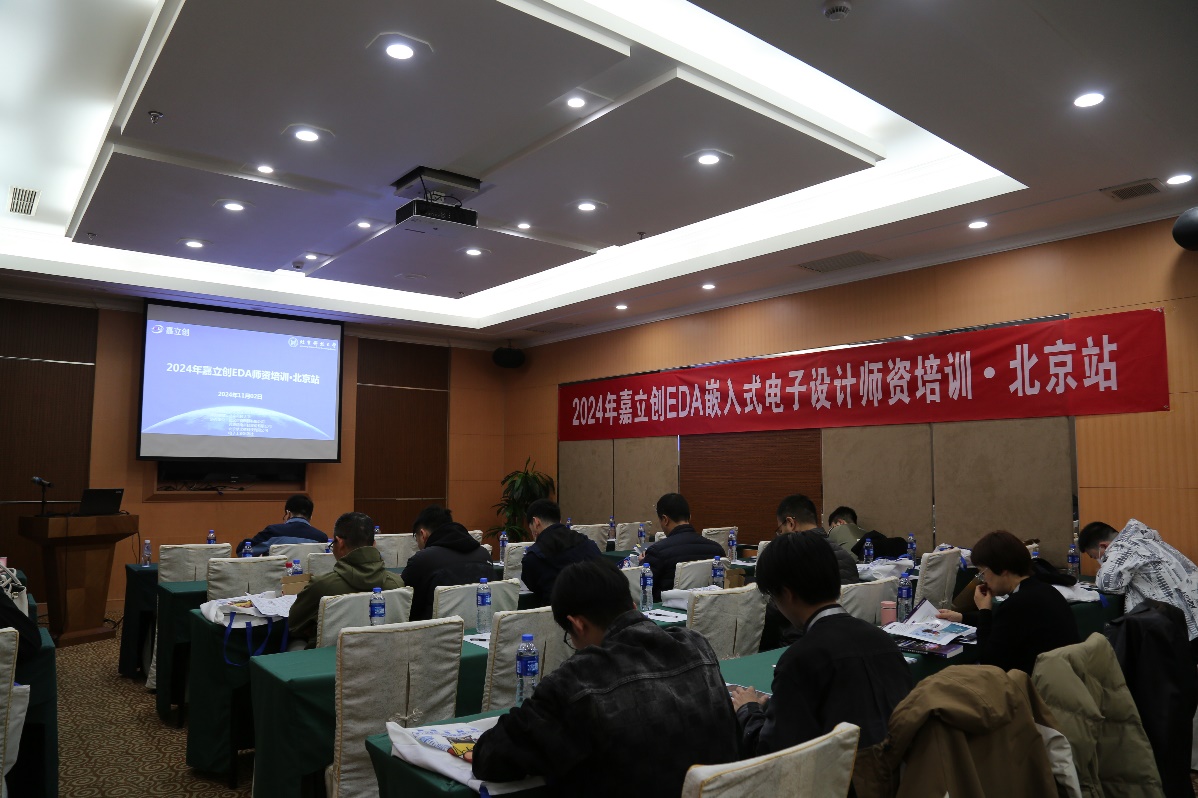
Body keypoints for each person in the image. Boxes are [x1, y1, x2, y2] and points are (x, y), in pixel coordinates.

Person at [472, 558, 739, 796]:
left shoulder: (577, 681)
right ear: (632, 606)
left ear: (577, 624)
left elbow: (491, 758)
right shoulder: (696, 645)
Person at [731, 531, 913, 753]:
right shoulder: (884, 640)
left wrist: (748, 710)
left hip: (842, 774)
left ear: (786, 594)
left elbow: (772, 753)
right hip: (897, 768)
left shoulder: (800, 659)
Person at [937, 530, 1079, 675]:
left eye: (983, 572)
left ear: (1002, 570)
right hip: (1062, 678)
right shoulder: (1045, 591)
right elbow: (1004, 622)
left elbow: (989, 664)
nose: (983, 579)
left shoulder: (1017, 604)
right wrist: (962, 618)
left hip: (1032, 684)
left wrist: (984, 611)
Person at [1080, 518, 1198, 652]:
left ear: (1103, 546)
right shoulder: (1143, 540)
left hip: (1183, 630)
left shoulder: (1123, 549)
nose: (1098, 560)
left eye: (1094, 556)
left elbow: (1107, 584)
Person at [287, 512, 402, 643]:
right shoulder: (397, 584)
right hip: (383, 653)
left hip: (330, 656)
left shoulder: (321, 586)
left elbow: (293, 625)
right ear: (374, 544)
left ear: (340, 543)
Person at [401, 505, 493, 621]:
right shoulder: (484, 555)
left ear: (423, 534)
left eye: (416, 537)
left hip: (435, 630)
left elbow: (404, 603)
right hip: (480, 627)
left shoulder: (422, 560)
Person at [520, 499, 603, 606]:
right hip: (598, 609)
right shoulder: (588, 544)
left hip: (558, 613)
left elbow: (532, 586)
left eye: (531, 529)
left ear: (536, 522)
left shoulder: (533, 557)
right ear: (559, 520)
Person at [643, 493, 725, 599]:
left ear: (665, 519)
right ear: (689, 517)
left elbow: (644, 590)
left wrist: (643, 562)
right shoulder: (717, 550)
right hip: (704, 607)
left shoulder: (657, 552)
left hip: (667, 608)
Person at [777, 495, 859, 583]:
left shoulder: (789, 560)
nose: (780, 535)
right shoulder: (846, 557)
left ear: (791, 523)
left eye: (780, 531)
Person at [238, 494, 327, 555]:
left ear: (288, 513)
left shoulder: (273, 531)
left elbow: (242, 551)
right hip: (311, 578)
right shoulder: (321, 538)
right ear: (310, 517)